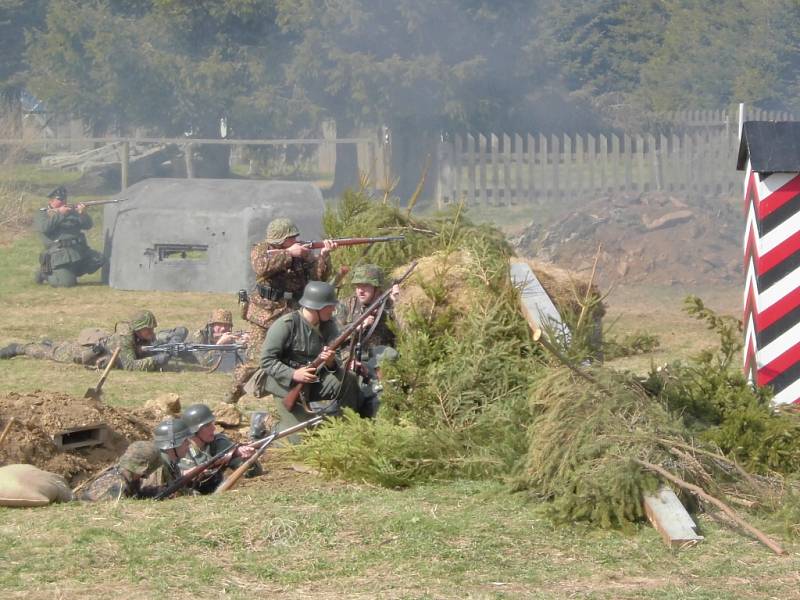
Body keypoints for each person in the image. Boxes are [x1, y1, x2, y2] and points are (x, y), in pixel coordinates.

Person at [225, 218, 339, 404]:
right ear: (278, 240)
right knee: (256, 361)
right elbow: (261, 266)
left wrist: (324, 255)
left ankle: (280, 403)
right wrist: (288, 254)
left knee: (291, 360)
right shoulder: (261, 249)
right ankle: (230, 399)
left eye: (295, 236)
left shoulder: (302, 252)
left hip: (290, 314)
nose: (296, 239)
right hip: (264, 315)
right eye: (290, 237)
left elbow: (317, 277)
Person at [259, 280, 367, 439]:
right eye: (330, 306)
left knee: (348, 379)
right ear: (317, 307)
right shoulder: (286, 324)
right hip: (285, 386)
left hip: (313, 382)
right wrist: (293, 374)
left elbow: (336, 362)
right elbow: (267, 361)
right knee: (300, 439)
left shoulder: (328, 325)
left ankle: (347, 429)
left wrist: (330, 361)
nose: (333, 309)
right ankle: (265, 422)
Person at [0, 310, 170, 371]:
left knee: (60, 345)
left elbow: (141, 351)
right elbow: (131, 366)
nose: (152, 332)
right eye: (148, 329)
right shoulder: (124, 340)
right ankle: (18, 348)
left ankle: (51, 343)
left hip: (99, 350)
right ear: (138, 329)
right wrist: (155, 361)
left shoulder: (142, 336)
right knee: (51, 352)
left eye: (152, 328)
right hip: (81, 354)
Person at [336, 264, 401, 416]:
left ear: (377, 288)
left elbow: (403, 330)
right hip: (350, 355)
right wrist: (357, 327)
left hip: (380, 358)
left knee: (382, 386)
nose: (360, 290)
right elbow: (335, 336)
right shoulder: (346, 305)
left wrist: (396, 302)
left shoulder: (388, 303)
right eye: (358, 286)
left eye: (366, 286)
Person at [178, 403, 261, 493]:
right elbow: (175, 482)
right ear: (194, 431)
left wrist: (247, 459)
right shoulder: (180, 451)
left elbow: (253, 473)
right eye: (207, 426)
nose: (213, 428)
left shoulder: (219, 443)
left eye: (212, 423)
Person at [33, 186, 105, 287]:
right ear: (51, 200)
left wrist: (82, 214)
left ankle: (69, 273)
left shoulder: (72, 211)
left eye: (64, 199)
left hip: (79, 250)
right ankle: (45, 272)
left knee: (99, 259)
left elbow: (88, 226)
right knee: (66, 284)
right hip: (59, 254)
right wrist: (60, 214)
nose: (63, 201)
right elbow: (45, 228)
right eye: (59, 199)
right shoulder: (42, 213)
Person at [79, 441, 162, 501]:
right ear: (145, 468)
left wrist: (154, 492)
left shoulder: (124, 476)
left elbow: (135, 495)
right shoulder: (117, 485)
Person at [141, 417, 193, 493]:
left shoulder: (171, 462)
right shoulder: (158, 465)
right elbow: (155, 495)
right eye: (185, 440)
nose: (189, 443)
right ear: (173, 443)